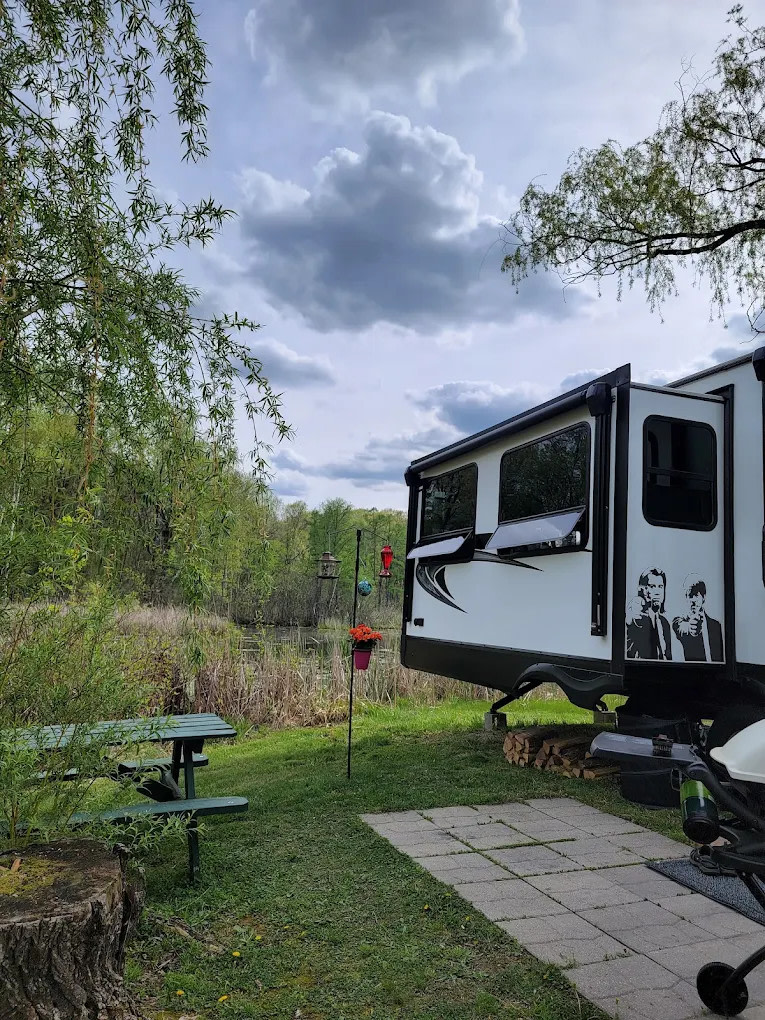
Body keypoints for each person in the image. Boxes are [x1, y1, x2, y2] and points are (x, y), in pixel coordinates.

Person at [672, 574, 723, 662]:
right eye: (690, 596)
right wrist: (690, 627)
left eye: (696, 595)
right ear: (686, 598)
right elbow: (682, 628)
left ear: (703, 597)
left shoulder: (716, 626)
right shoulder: (678, 622)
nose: (693, 600)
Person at [626, 567, 672, 659]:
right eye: (652, 586)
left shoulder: (664, 623)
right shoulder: (636, 619)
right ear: (641, 590)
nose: (657, 592)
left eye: (660, 587)